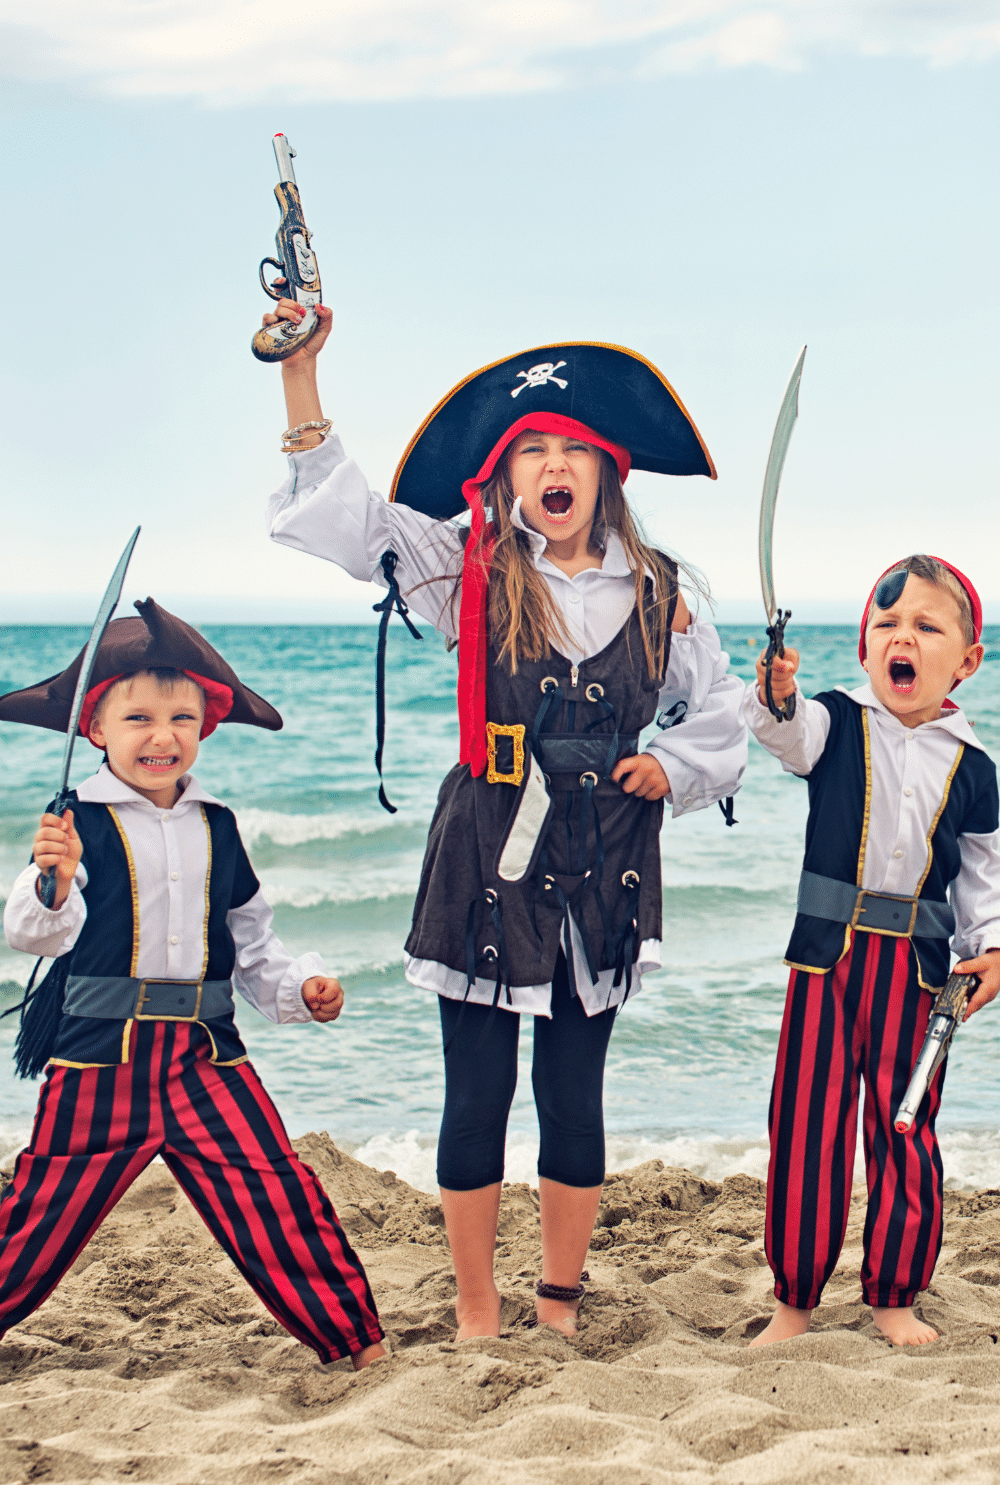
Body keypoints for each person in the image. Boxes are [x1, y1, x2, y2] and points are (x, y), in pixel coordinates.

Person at [260, 298, 747, 1341]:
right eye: (531, 450)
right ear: (504, 473)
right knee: (476, 1091)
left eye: (573, 448)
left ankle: (559, 1303)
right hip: (485, 845)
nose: (552, 465)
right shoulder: (465, 566)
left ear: (607, 470)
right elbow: (345, 522)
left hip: (607, 851)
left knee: (573, 1091)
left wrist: (670, 765)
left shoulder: (663, 594)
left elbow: (718, 710)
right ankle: (478, 1308)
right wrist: (301, 374)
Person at [0, 599, 386, 1369]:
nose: (162, 735)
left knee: (276, 1193)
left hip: (207, 1057)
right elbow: (37, 932)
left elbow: (252, 944)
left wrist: (303, 987)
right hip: (100, 1058)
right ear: (96, 730)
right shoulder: (74, 823)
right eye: (138, 719)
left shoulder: (219, 825)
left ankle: (355, 1342)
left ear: (204, 729)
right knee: (39, 1217)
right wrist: (53, 880)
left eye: (181, 719)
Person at [744, 555, 1000, 1347]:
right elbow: (782, 734)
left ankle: (894, 1294)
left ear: (965, 659)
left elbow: (983, 879)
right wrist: (776, 691)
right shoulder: (832, 721)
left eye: (926, 626)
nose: (903, 637)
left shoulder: (975, 767)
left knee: (905, 1121)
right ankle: (796, 1297)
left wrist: (989, 950)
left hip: (921, 973)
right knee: (806, 1120)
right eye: (887, 623)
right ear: (863, 650)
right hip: (827, 957)